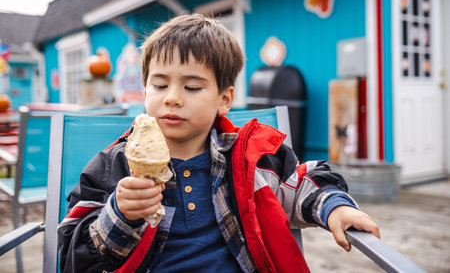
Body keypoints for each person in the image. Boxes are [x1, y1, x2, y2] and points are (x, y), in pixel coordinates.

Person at [58, 14, 379, 273]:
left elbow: (306, 184)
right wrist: (120, 213)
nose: (172, 98)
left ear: (224, 99)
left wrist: (334, 208)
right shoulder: (114, 166)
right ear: (145, 92)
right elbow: (73, 253)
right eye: (159, 84)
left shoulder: (251, 157)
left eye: (192, 87)